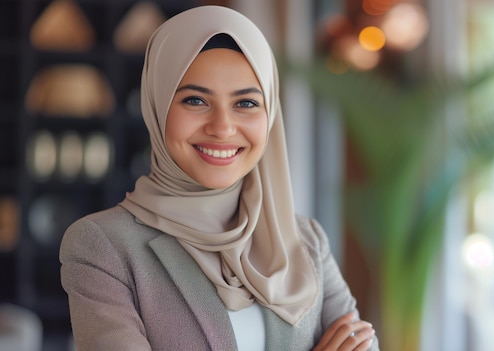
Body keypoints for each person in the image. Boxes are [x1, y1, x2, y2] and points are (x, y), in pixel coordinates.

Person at [59, 5, 378, 351]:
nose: (222, 127)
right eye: (195, 100)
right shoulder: (102, 246)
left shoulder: (306, 242)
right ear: (157, 105)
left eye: (246, 103)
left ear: (270, 114)